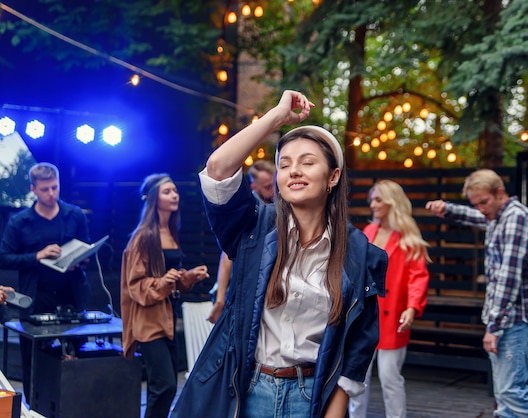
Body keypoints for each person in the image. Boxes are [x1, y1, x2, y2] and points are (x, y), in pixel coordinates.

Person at [171, 90, 387, 418]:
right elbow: (217, 169)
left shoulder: (359, 253)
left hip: (311, 396)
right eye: (284, 165)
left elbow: (359, 344)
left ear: (333, 176)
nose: (294, 171)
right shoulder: (253, 228)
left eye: (307, 162)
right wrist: (276, 117)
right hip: (245, 391)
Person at [425, 169, 528, 418]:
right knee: (504, 400)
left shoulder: (516, 219)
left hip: (515, 322)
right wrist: (447, 209)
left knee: (512, 392)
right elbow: (475, 217)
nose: (481, 208)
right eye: (476, 203)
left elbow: (508, 278)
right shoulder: (498, 216)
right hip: (507, 321)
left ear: (500, 193)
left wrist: (493, 327)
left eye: (484, 202)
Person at [0, 162, 91, 403]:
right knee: (35, 361)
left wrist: (80, 261)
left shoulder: (74, 214)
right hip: (36, 298)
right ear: (33, 189)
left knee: (75, 356)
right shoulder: (20, 221)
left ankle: (74, 406)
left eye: (55, 187)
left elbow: (87, 248)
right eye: (45, 189)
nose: (51, 194)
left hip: (71, 295)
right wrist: (36, 256)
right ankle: (34, 406)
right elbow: (4, 257)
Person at [120, 173, 209, 418]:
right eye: (167, 191)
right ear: (152, 199)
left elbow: (170, 282)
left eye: (175, 191)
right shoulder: (143, 237)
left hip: (167, 317)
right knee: (165, 386)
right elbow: (135, 285)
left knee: (165, 388)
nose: (174, 195)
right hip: (148, 321)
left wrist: (187, 278)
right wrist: (162, 282)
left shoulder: (171, 231)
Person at [349, 180, 430, 418]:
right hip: (366, 313)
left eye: (378, 200)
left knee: (390, 376)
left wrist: (412, 307)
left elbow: (418, 276)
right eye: (372, 199)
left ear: (391, 202)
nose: (372, 204)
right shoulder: (368, 231)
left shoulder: (408, 237)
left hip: (393, 315)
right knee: (357, 375)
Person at [208, 160, 276, 324]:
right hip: (244, 290)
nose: (274, 190)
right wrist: (220, 298)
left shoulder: (280, 205)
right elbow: (227, 257)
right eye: (268, 186)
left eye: (275, 184)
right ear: (254, 187)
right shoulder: (249, 212)